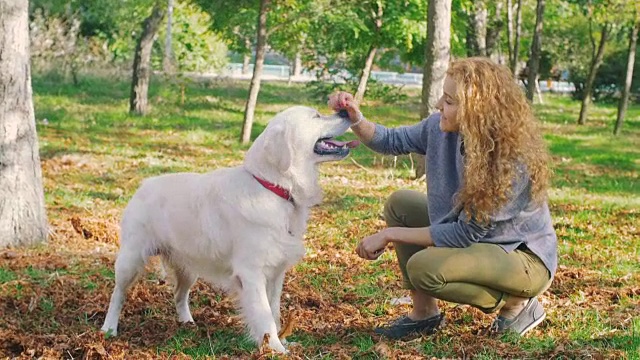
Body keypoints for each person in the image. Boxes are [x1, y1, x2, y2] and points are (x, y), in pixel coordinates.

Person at [328, 57, 557, 339]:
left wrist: (389, 235)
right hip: (479, 242)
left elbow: (464, 235)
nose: (439, 105)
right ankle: (424, 314)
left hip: (521, 257)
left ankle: (517, 304)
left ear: (477, 110)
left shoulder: (509, 160)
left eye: (449, 100)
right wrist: (356, 119)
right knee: (400, 203)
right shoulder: (440, 128)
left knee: (423, 269)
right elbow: (390, 140)